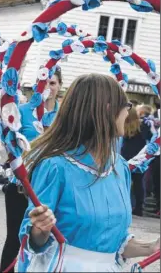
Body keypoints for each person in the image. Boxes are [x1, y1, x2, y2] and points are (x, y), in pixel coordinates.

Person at [17, 74, 160, 272]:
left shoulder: (120, 167)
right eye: (125, 105)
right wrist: (40, 230)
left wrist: (152, 247)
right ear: (107, 109)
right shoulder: (55, 166)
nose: (128, 112)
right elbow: (34, 241)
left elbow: (115, 244)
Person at [0, 68, 62, 272]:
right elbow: (9, 143)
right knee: (15, 238)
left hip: (51, 188)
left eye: (53, 83)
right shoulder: (23, 111)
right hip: (21, 186)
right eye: (44, 83)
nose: (48, 88)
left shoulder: (65, 116)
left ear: (59, 86)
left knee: (45, 241)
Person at [121, 107, 153, 216]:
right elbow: (150, 138)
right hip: (140, 157)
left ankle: (123, 206)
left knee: (124, 183)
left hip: (125, 157)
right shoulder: (143, 125)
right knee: (139, 183)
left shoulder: (123, 125)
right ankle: (139, 208)